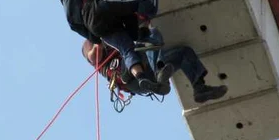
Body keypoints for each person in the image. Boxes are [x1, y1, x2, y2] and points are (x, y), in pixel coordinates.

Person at [51, 0, 163, 93]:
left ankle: (141, 77)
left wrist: (101, 36)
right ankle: (142, 34)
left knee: (126, 49)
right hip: (101, 5)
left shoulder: (68, 14)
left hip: (98, 28)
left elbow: (89, 35)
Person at [82, 27, 228, 104]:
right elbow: (92, 55)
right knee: (134, 48)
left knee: (184, 53)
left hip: (145, 75)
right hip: (127, 76)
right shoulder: (94, 49)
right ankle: (158, 74)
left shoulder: (112, 38)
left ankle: (199, 88)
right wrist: (96, 34)